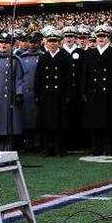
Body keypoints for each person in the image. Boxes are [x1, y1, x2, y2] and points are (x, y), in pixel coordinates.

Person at [81, 25, 112, 156]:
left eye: (103, 36)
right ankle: (96, 147)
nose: (101, 38)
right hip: (93, 93)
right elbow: (85, 74)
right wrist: (83, 92)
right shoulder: (89, 53)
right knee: (94, 123)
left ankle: (108, 147)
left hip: (109, 94)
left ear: (108, 38)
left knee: (109, 123)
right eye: (99, 36)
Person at [34, 28, 71, 156]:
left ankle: (59, 148)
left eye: (55, 41)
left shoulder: (64, 57)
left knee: (60, 123)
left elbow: (68, 78)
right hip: (46, 96)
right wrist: (37, 95)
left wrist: (67, 95)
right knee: (46, 123)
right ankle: (48, 148)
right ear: (46, 43)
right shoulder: (43, 57)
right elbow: (38, 78)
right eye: (50, 41)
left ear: (59, 42)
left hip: (59, 96)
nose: (52, 43)